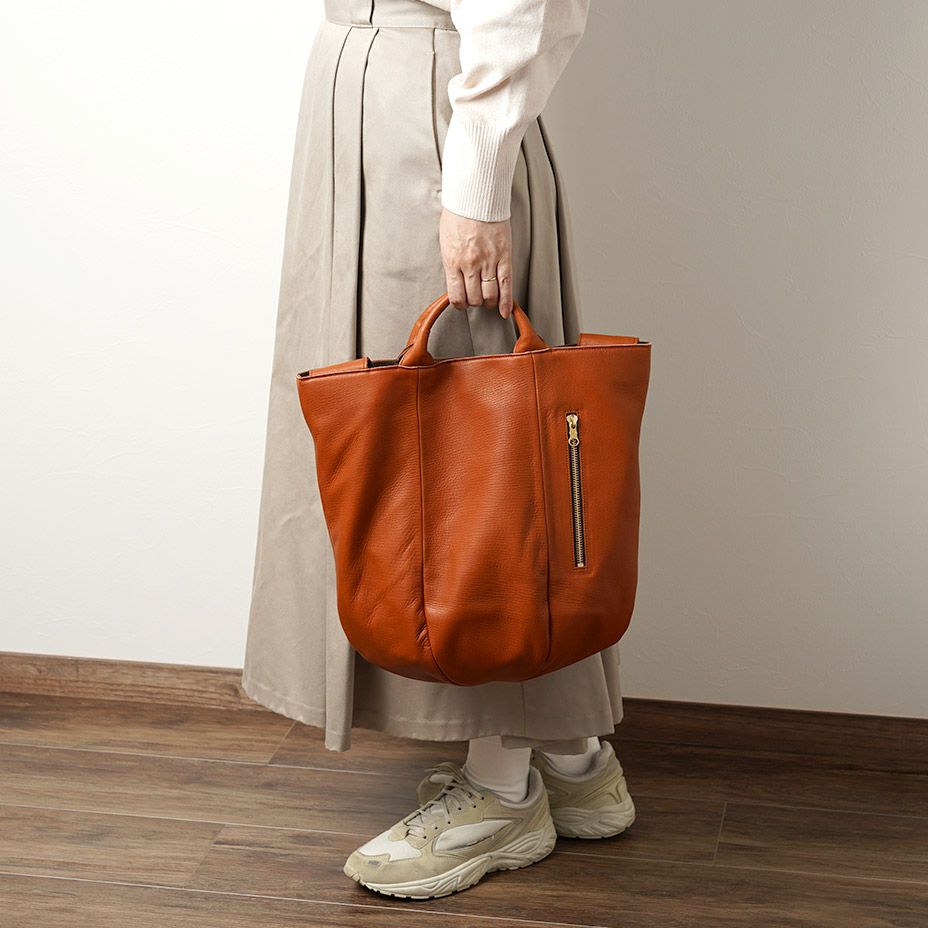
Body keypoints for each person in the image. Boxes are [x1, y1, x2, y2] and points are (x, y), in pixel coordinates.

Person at [242, 0, 635, 898]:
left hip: (433, 118)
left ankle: (502, 790)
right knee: (415, 444)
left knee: (472, 462)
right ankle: (572, 757)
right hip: (368, 103)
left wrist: (478, 177)